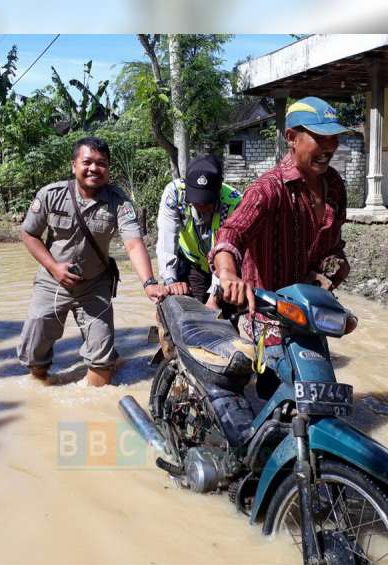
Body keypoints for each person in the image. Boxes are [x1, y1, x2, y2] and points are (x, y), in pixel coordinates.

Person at [17, 137, 166, 387]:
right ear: (74, 165)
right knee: (35, 355)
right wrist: (54, 268)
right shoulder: (51, 195)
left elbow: (133, 243)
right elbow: (28, 234)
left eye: (102, 164)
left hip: (94, 286)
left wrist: (149, 283)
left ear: (108, 169)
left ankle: (95, 391)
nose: (94, 169)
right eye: (87, 162)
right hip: (51, 283)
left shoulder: (119, 202)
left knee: (102, 364)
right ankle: (42, 388)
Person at [209, 96, 352, 346]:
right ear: (291, 138)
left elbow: (333, 247)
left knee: (319, 380)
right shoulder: (268, 189)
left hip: (312, 313)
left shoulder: (335, 185)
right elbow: (231, 234)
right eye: (319, 138)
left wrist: (334, 268)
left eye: (334, 138)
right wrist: (228, 274)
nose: (329, 147)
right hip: (266, 317)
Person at [156, 154, 242, 306]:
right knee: (184, 307)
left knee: (224, 316)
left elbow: (226, 249)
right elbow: (166, 237)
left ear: (219, 189)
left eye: (207, 201)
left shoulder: (234, 203)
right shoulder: (175, 194)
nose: (201, 206)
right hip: (192, 262)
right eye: (196, 200)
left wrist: (215, 296)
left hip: (226, 267)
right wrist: (170, 280)